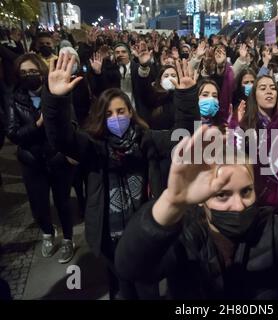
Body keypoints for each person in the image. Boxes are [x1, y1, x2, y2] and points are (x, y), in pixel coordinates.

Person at [115, 118, 278, 299]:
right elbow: (132, 268)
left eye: (246, 191)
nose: (238, 206)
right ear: (202, 199)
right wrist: (171, 202)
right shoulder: (185, 233)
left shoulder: (270, 227)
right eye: (222, 195)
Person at [42, 52, 197, 299]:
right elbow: (61, 138)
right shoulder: (93, 147)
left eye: (121, 111)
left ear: (130, 112)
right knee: (120, 290)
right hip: (110, 240)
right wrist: (56, 100)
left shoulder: (147, 140)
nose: (116, 117)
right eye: (109, 114)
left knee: (147, 290)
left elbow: (183, 136)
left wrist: (187, 97)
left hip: (144, 236)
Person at [6, 53, 76, 263]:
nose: (29, 76)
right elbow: (13, 133)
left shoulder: (55, 93)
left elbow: (71, 125)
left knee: (63, 202)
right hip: (32, 161)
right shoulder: (14, 98)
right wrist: (37, 124)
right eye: (24, 72)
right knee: (38, 204)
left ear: (42, 72)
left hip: (57, 159)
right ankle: (47, 233)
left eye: (33, 71)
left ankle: (67, 238)